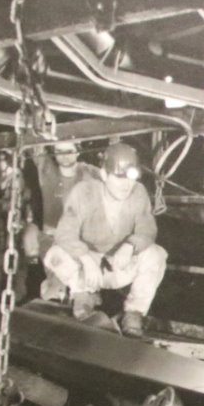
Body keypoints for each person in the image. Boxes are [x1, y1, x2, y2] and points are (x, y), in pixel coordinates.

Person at [42, 142, 167, 337]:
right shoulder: (84, 192)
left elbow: (147, 229)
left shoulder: (138, 192)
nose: (126, 184)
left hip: (118, 265)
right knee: (55, 254)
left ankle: (133, 313)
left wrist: (130, 245)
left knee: (156, 255)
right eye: (118, 177)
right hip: (86, 269)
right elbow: (65, 233)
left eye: (130, 177)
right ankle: (83, 297)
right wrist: (85, 258)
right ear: (104, 175)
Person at [28, 140, 101, 300]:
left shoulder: (89, 172)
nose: (64, 156)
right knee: (57, 276)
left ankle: (82, 300)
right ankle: (55, 295)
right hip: (51, 237)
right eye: (59, 151)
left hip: (81, 238)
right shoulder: (47, 170)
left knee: (84, 281)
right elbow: (33, 141)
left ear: (78, 151)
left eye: (69, 151)